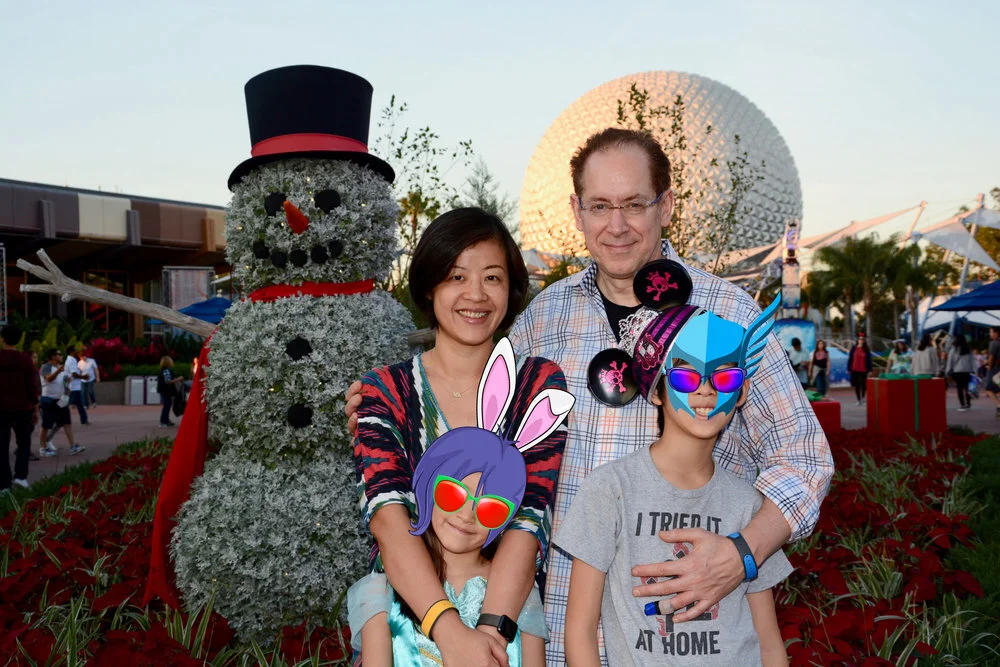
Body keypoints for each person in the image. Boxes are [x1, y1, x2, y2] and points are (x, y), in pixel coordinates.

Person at [353, 208, 569, 667]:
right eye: (456, 276)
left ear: (511, 289)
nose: (476, 294)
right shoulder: (385, 391)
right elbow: (388, 520)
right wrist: (450, 633)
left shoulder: (537, 387)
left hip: (507, 634)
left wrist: (488, 637)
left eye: (492, 277)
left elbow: (528, 521)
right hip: (401, 637)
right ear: (430, 286)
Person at [558, 271, 790, 666]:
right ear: (657, 390)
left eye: (725, 376)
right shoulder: (611, 489)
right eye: (685, 376)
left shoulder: (750, 504)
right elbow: (579, 630)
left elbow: (768, 642)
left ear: (742, 392)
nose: (706, 390)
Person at [0, 325, 39, 492]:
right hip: (23, 408)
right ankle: (21, 477)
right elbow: (32, 386)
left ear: (2, 339)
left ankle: (4, 484)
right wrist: (35, 408)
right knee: (23, 443)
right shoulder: (25, 360)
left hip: (1, 409)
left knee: (1, 446)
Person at [38, 348, 84, 456]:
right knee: (46, 425)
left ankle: (73, 446)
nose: (62, 356)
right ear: (53, 356)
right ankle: (43, 448)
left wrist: (67, 388)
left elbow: (64, 382)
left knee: (67, 423)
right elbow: (49, 378)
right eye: (59, 354)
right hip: (48, 400)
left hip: (61, 400)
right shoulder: (46, 367)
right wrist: (58, 371)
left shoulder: (61, 367)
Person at [945, 334, 974, 412]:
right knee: (967, 387)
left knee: (959, 388)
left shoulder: (953, 350)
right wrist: (974, 370)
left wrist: (947, 371)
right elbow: (972, 361)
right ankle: (968, 403)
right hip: (967, 371)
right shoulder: (968, 349)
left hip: (957, 371)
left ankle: (962, 404)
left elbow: (950, 361)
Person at [63, 347, 89, 425]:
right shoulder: (72, 360)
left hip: (73, 386)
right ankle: (59, 419)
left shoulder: (70, 360)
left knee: (79, 404)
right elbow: (74, 374)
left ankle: (84, 420)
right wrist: (83, 377)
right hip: (72, 387)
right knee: (63, 403)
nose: (77, 351)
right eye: (75, 350)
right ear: (71, 352)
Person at [157, 357, 184, 427]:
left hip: (164, 390)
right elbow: (168, 381)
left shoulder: (164, 370)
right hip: (165, 390)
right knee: (167, 405)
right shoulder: (166, 370)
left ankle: (166, 420)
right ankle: (163, 422)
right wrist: (179, 378)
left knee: (168, 405)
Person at [848, 332, 872, 406]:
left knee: (864, 384)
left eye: (862, 339)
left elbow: (869, 360)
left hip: (864, 369)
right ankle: (858, 400)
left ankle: (863, 397)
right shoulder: (854, 348)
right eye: (860, 339)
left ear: (864, 341)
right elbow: (850, 359)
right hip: (855, 369)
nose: (861, 341)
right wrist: (849, 368)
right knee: (857, 384)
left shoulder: (866, 349)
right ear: (857, 340)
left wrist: (870, 370)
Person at [985, 327, 1000, 418]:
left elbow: (991, 357)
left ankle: (999, 406)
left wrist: (989, 367)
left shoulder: (993, 343)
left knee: (988, 388)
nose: (990, 334)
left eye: (991, 332)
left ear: (996, 333)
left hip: (995, 369)